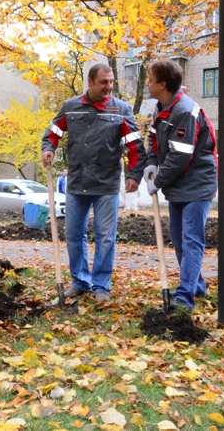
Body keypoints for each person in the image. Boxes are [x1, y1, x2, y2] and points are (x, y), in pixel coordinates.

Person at [41, 63, 147, 303]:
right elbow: (52, 133)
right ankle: (80, 281)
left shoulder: (121, 109)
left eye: (111, 82)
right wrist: (49, 148)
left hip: (106, 184)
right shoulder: (70, 107)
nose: (109, 86)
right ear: (90, 82)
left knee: (105, 236)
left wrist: (134, 174)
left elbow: (135, 146)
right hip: (77, 183)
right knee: (74, 234)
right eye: (104, 82)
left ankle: (101, 286)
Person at [144, 59, 218, 311]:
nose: (147, 83)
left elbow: (180, 157)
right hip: (178, 185)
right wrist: (151, 162)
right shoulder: (161, 107)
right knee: (178, 238)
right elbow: (153, 137)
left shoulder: (184, 111)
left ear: (162, 84)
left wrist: (159, 181)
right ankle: (196, 286)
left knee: (191, 239)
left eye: (150, 80)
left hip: (197, 183)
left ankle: (185, 297)